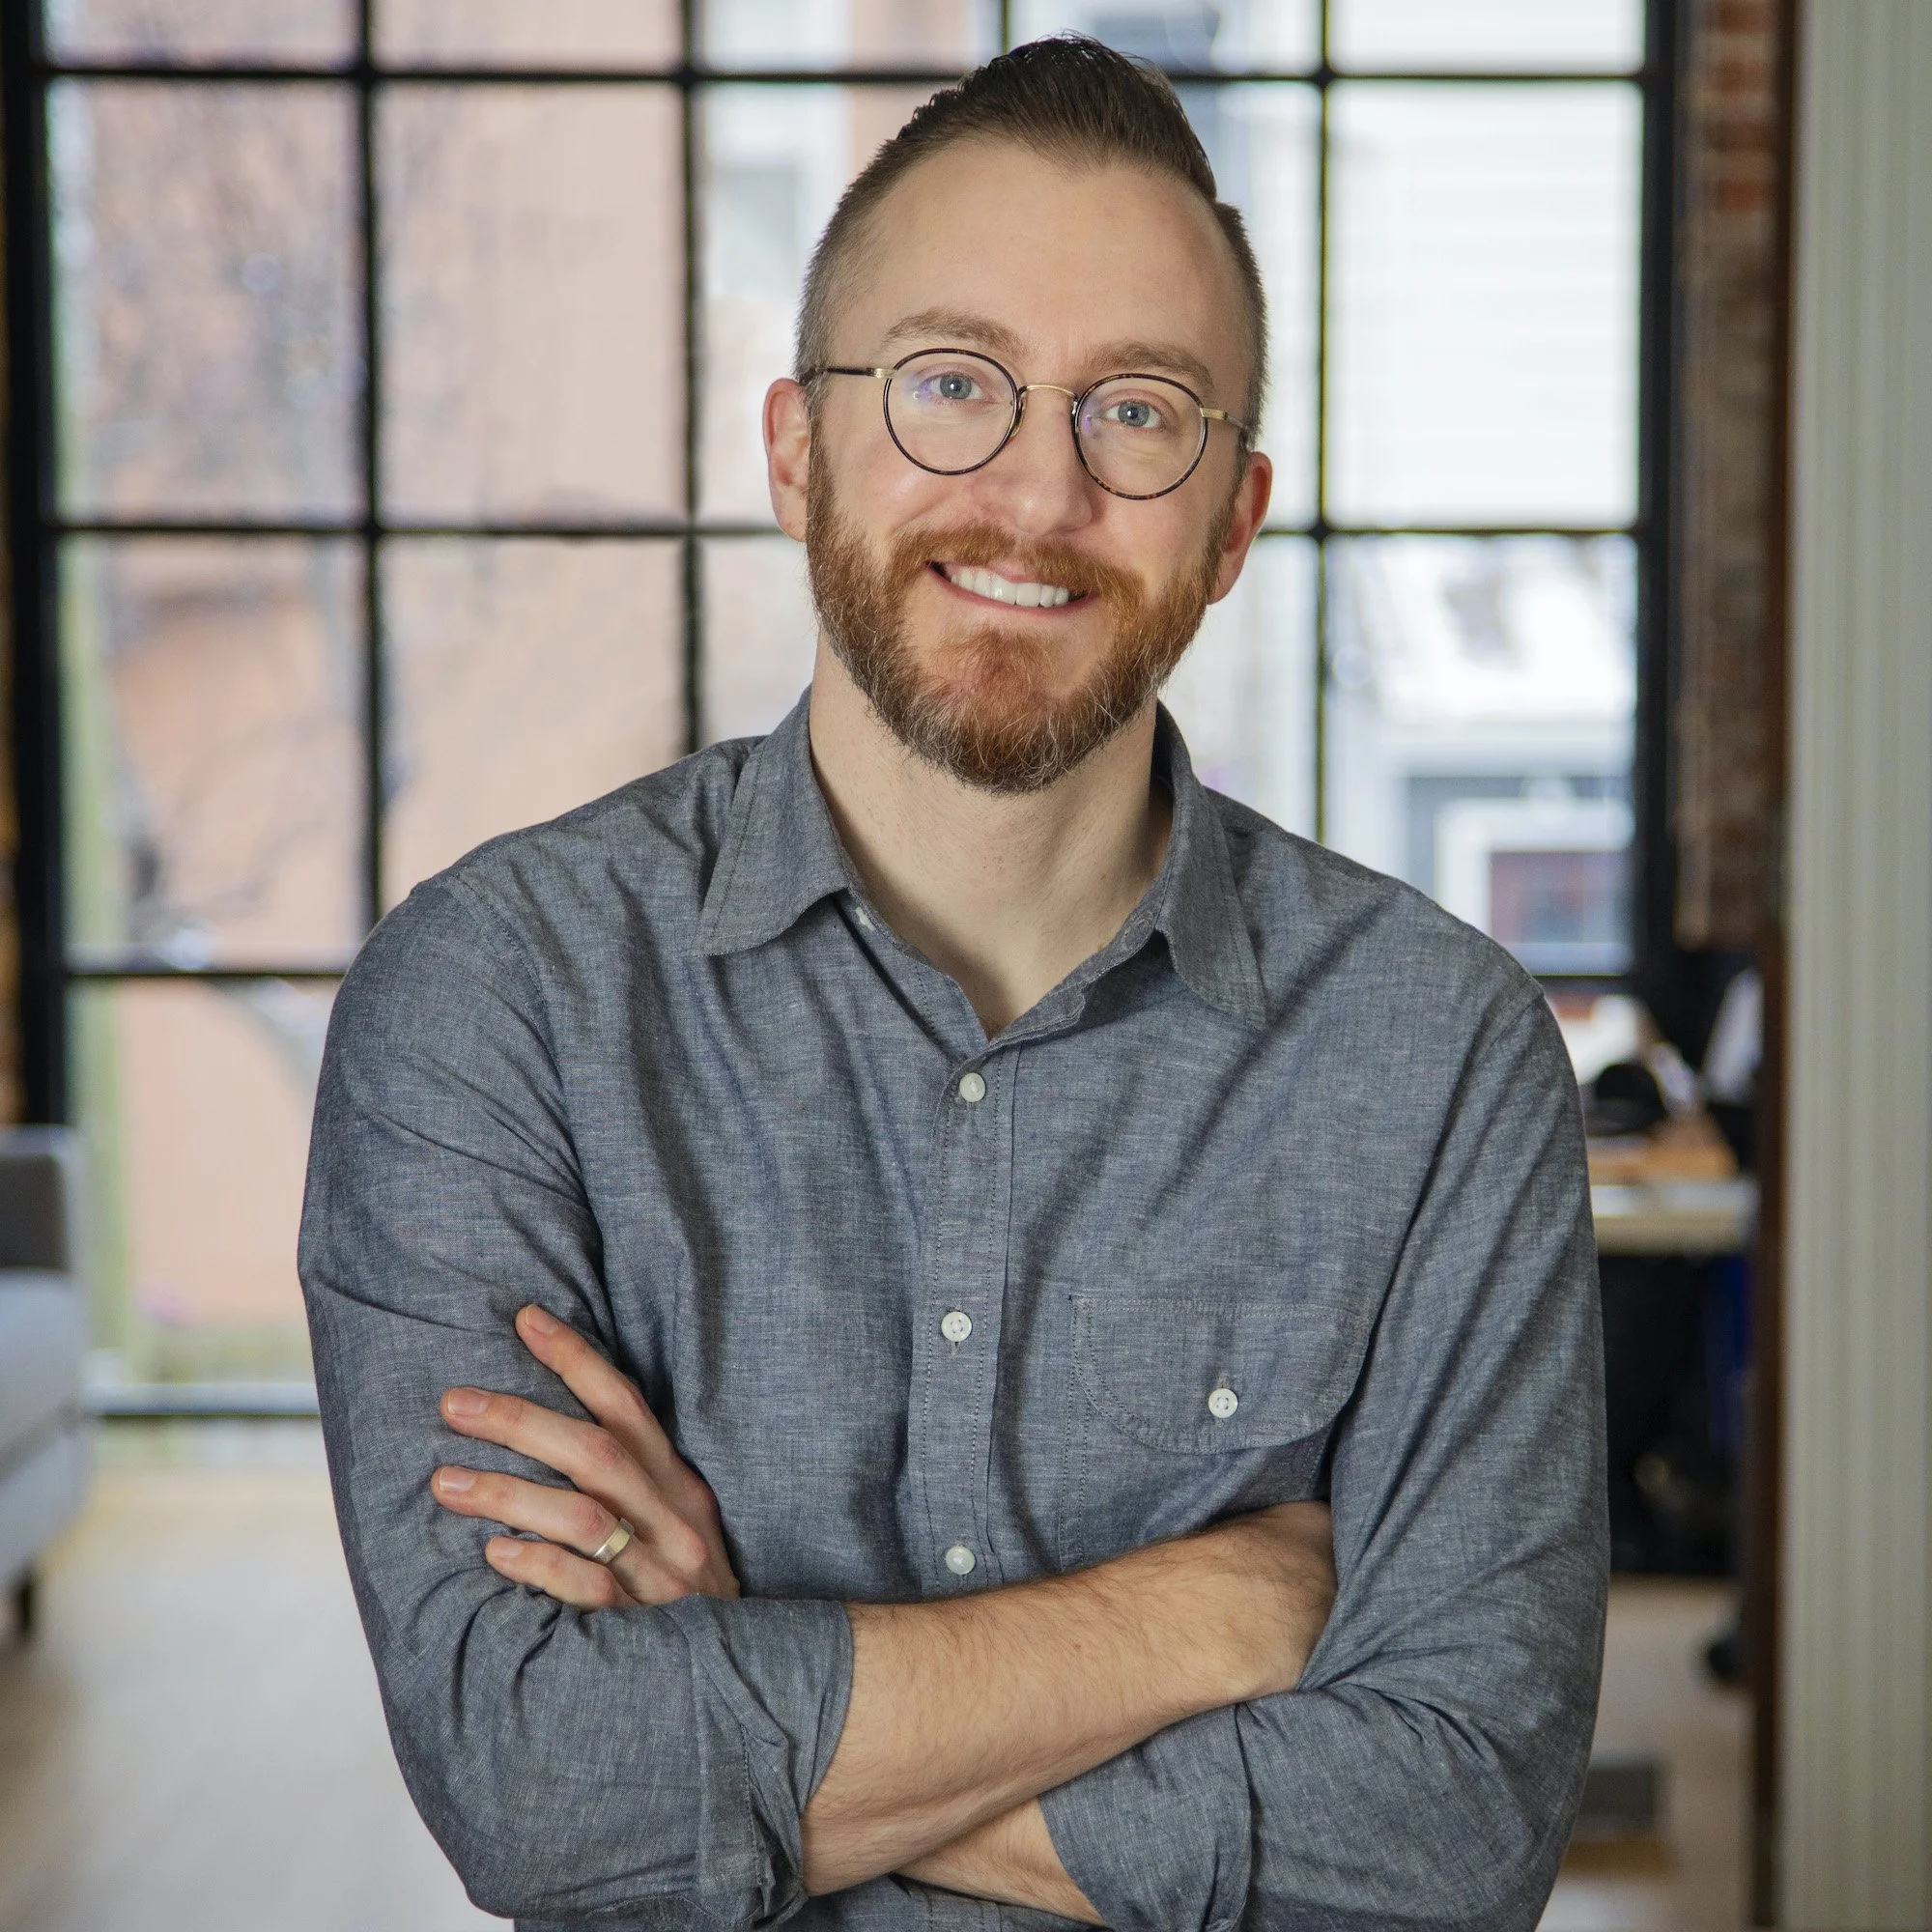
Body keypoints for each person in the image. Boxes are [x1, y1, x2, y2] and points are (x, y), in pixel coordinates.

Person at [300, 37, 1606, 1932]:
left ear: (1230, 521)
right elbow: (537, 1786)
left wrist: (741, 1684)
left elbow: (1446, 1839)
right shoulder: (496, 1001)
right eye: (946, 387)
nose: (1033, 493)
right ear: (794, 446)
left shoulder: (1443, 1059)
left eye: (1137, 413)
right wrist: (1208, 1613)